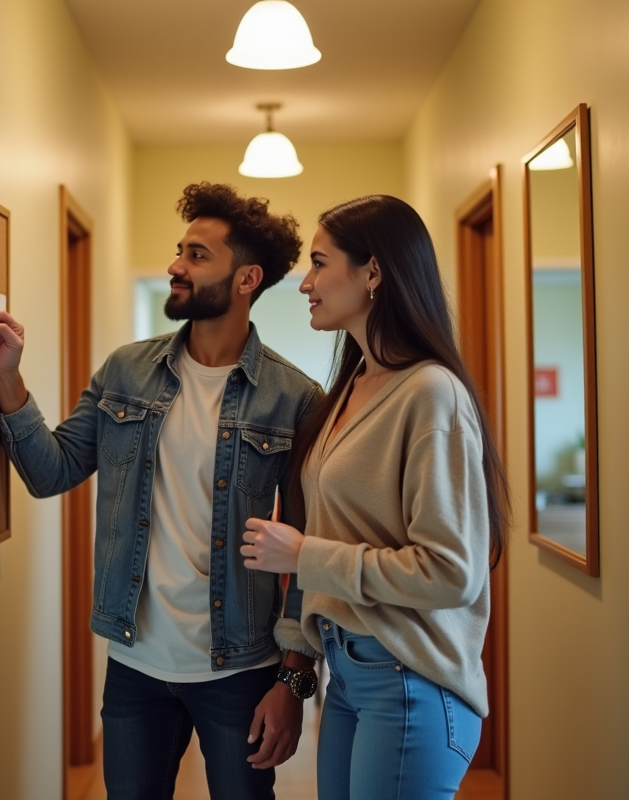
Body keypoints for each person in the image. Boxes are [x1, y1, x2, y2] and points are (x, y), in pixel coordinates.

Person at [0, 182, 323, 800]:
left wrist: (293, 682)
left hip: (240, 671)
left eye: (196, 255)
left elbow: (309, 555)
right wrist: (8, 378)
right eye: (179, 251)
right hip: (135, 668)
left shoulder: (293, 400)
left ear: (247, 280)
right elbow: (50, 471)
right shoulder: (125, 371)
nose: (175, 267)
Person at [239, 195, 510, 800]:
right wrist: (299, 670)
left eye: (319, 262)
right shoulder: (349, 390)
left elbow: (450, 573)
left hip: (411, 680)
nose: (305, 282)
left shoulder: (431, 394)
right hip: (349, 674)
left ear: (373, 272)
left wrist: (305, 554)